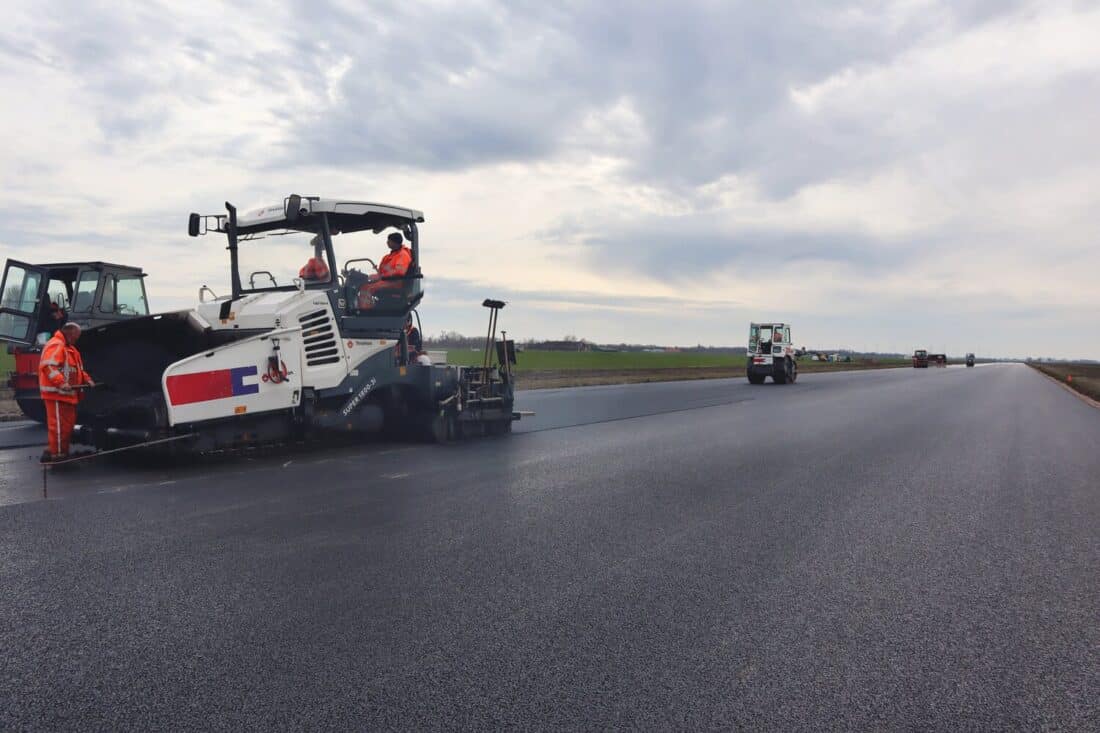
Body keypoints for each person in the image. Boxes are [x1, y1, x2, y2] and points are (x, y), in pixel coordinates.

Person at [39, 322, 95, 462]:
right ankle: (58, 457)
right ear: (69, 333)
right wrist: (61, 383)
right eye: (76, 336)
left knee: (67, 428)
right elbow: (48, 366)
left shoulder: (71, 350)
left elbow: (77, 370)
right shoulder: (56, 345)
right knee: (58, 427)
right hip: (56, 394)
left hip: (68, 395)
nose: (77, 339)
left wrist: (87, 380)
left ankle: (55, 451)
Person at [357, 232, 413, 309]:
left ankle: (365, 312)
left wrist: (381, 276)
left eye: (389, 241)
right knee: (363, 285)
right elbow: (382, 272)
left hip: (395, 282)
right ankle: (366, 308)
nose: (387, 242)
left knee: (367, 288)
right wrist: (368, 277)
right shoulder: (389, 256)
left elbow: (399, 272)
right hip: (386, 280)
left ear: (395, 242)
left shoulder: (403, 255)